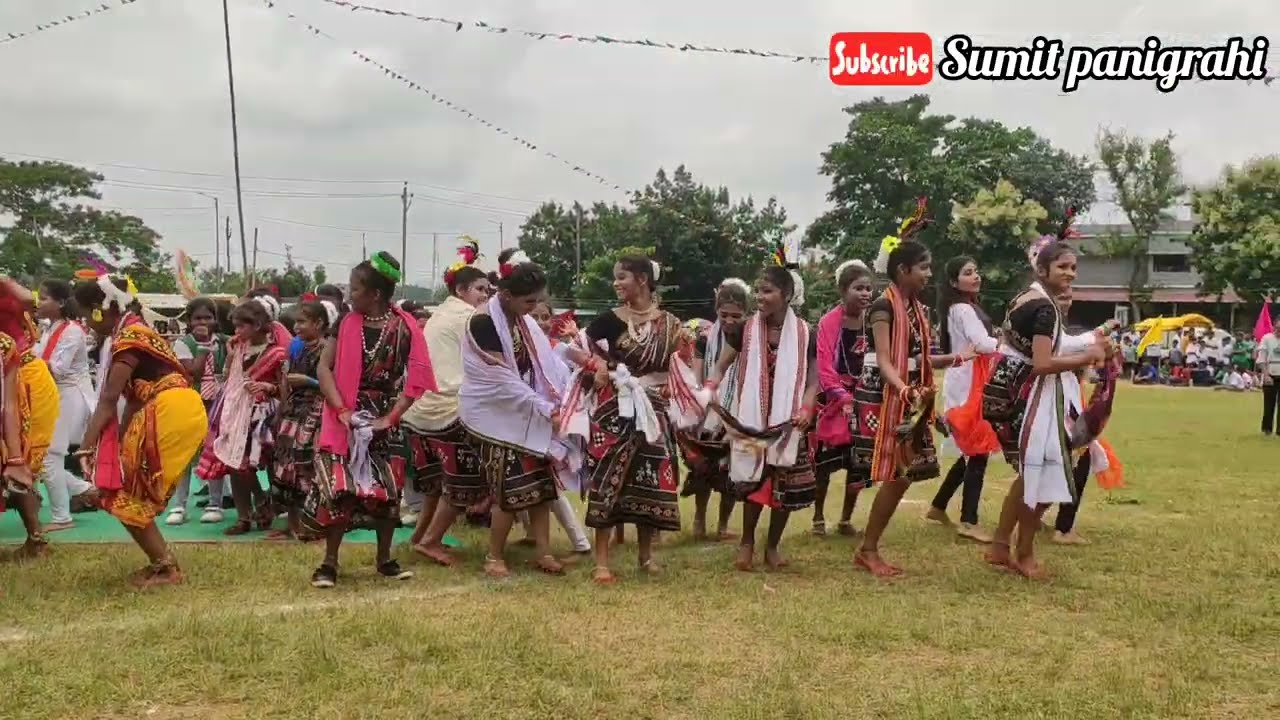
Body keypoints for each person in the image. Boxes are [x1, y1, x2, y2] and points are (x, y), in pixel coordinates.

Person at [980, 227, 1109, 580]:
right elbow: (1042, 363)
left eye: (1073, 268)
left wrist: (1088, 346)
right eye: (1063, 267)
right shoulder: (1044, 308)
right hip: (1027, 395)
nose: (1069, 274)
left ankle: (1000, 546)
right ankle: (1023, 554)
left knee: (1030, 473)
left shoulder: (1030, 298)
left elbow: (1052, 346)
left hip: (1006, 388)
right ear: (1043, 270)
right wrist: (1088, 356)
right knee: (1041, 469)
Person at [852, 203, 972, 577]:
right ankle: (868, 549)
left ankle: (868, 548)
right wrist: (906, 390)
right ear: (902, 270)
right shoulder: (882, 308)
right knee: (897, 474)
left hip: (911, 397)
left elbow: (920, 359)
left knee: (902, 476)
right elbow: (887, 361)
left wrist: (955, 358)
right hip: (890, 397)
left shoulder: (916, 309)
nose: (928, 274)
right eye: (923, 267)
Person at [307, 251, 436, 588]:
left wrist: (391, 418)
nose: (349, 296)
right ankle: (329, 562)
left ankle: (384, 559)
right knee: (339, 489)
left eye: (354, 289)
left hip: (383, 417)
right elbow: (324, 368)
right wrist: (342, 411)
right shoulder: (345, 323)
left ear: (375, 294)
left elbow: (418, 379)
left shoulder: (404, 328)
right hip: (342, 417)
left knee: (388, 493)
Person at [74, 273, 208, 586]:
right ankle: (163, 565)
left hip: (169, 410)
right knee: (121, 488)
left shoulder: (130, 335)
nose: (89, 325)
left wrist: (85, 447)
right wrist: (119, 443)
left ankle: (167, 568)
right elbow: (131, 401)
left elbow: (109, 397)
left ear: (99, 308)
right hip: (170, 408)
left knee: (122, 492)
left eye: (86, 317)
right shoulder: (134, 331)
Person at [563, 254, 691, 584]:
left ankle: (646, 556)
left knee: (648, 480)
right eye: (616, 278)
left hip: (652, 414)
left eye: (623, 277)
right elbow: (572, 349)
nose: (617, 283)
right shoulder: (608, 320)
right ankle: (602, 561)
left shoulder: (672, 325)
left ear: (643, 280)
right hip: (613, 410)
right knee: (607, 480)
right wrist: (597, 365)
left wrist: (670, 387)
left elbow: (681, 367)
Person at [460, 258, 582, 577]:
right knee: (509, 487)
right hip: (492, 415)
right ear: (506, 294)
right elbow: (501, 380)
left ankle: (543, 552)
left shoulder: (521, 320)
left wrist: (560, 400)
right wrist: (547, 409)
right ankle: (494, 557)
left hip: (526, 411)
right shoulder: (483, 322)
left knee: (543, 485)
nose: (533, 308)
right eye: (529, 301)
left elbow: (546, 363)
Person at [707, 256, 818, 571]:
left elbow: (814, 377)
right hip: (752, 422)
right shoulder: (745, 329)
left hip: (789, 422)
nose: (759, 297)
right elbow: (722, 364)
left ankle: (772, 546)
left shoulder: (805, 332)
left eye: (767, 291)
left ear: (785, 294)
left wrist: (807, 407)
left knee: (784, 485)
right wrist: (710, 387)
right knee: (755, 483)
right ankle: (747, 542)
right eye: (757, 291)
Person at [404, 245, 491, 566]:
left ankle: (420, 538)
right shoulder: (469, 317)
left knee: (436, 484)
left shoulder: (440, 313)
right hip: (448, 410)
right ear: (461, 290)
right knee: (467, 479)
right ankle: (430, 540)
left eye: (487, 289)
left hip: (419, 410)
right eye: (480, 289)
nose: (485, 295)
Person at [194, 298, 287, 535]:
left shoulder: (276, 353)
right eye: (235, 327)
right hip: (234, 413)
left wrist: (268, 388)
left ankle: (266, 505)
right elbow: (228, 377)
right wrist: (231, 355)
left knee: (257, 464)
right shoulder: (238, 348)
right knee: (234, 463)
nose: (236, 331)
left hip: (262, 418)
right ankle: (245, 515)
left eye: (241, 326)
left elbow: (284, 387)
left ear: (256, 325)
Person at [928, 256, 1001, 543]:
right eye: (968, 273)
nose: (976, 276)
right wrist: (1010, 346)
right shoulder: (963, 309)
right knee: (978, 451)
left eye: (976, 271)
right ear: (953, 282)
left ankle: (938, 506)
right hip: (970, 384)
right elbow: (982, 344)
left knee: (971, 452)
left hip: (966, 381)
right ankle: (968, 521)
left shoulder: (959, 308)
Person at [677, 278, 749, 542]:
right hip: (707, 413)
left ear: (746, 314)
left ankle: (722, 525)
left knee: (731, 471)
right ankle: (699, 520)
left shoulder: (750, 338)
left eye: (736, 316)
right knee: (703, 469)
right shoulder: (705, 340)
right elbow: (698, 375)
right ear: (716, 311)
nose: (730, 320)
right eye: (724, 315)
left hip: (738, 412)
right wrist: (706, 397)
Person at [810, 260, 873, 537]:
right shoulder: (828, 322)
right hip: (833, 401)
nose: (864, 294)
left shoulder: (874, 321)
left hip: (865, 399)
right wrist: (843, 397)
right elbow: (824, 367)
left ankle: (846, 519)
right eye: (858, 288)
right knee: (824, 465)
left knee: (858, 464)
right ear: (842, 290)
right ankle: (818, 517)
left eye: (868, 288)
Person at [0, 278, 58, 558]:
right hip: (10, 374)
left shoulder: (5, 288)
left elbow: (30, 301)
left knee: (20, 457)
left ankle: (37, 540)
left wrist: (3, 279)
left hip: (24, 377)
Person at [33, 279, 97, 532]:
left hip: (69, 397)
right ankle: (87, 490)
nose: (39, 302)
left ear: (60, 303)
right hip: (55, 397)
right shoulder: (49, 329)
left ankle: (62, 517)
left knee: (49, 457)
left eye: (44, 298)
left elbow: (56, 370)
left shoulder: (71, 331)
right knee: (44, 458)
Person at [270, 301, 337, 541]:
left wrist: (310, 382)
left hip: (317, 412)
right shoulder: (295, 347)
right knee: (286, 466)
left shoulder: (328, 348)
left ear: (319, 323)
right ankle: (292, 523)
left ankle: (313, 524)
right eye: (295, 322)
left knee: (307, 465)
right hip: (293, 411)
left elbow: (336, 385)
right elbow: (285, 379)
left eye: (302, 322)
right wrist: (283, 402)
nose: (296, 327)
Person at [166, 297, 230, 525]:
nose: (203, 322)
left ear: (215, 320)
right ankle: (179, 505)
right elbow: (193, 371)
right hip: (192, 402)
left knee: (214, 452)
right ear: (190, 321)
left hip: (218, 404)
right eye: (197, 318)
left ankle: (215, 503)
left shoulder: (224, 342)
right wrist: (203, 348)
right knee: (185, 456)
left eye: (208, 317)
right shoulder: (183, 343)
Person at [1258, 324, 1280, 435]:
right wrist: (1266, 375)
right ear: (1275, 327)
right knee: (1269, 404)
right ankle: (1267, 428)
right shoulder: (1267, 338)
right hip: (1270, 373)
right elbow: (1261, 358)